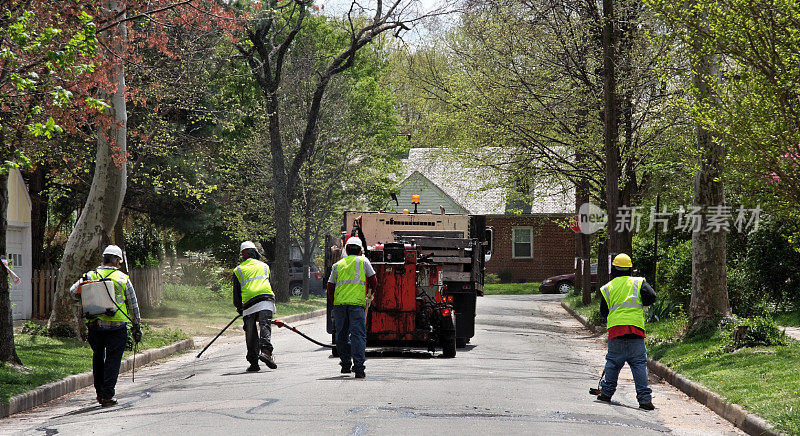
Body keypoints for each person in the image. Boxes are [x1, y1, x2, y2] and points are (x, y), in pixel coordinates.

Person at [70, 244, 141, 407]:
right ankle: (107, 395)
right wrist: (137, 326)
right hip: (117, 327)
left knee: (98, 358)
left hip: (95, 325)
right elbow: (133, 305)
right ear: (117, 261)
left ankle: (99, 393)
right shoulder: (122, 278)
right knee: (113, 360)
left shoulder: (90, 275)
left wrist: (85, 291)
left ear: (103, 259)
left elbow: (73, 292)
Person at [596, 253, 657, 410]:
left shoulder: (608, 287)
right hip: (636, 332)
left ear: (613, 270)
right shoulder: (638, 282)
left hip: (616, 333)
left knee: (613, 364)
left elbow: (603, 311)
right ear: (630, 269)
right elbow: (652, 297)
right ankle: (644, 400)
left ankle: (606, 393)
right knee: (639, 365)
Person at [327, 236, 377, 378]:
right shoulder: (364, 261)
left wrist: (334, 302)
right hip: (357, 305)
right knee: (358, 335)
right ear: (360, 250)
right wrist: (371, 295)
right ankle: (359, 368)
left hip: (340, 306)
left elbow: (330, 286)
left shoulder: (337, 265)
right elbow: (374, 280)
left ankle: (345, 365)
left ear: (347, 250)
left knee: (341, 335)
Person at [233, 241, 277, 372]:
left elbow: (236, 294)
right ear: (255, 252)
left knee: (250, 332)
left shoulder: (238, 270)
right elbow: (268, 283)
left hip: (249, 303)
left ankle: (253, 363)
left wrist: (240, 308)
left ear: (243, 255)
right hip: (266, 299)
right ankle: (266, 353)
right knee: (265, 326)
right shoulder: (264, 266)